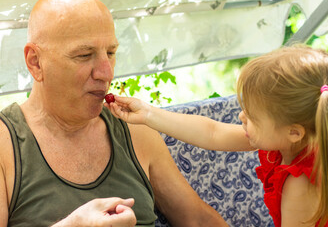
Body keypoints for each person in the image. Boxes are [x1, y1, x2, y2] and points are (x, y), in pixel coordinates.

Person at [0, 0, 228, 226]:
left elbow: (197, 220)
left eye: (111, 53)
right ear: (35, 62)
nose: (106, 72)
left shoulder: (135, 132)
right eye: (84, 55)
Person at [106, 45, 328, 227]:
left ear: (294, 132)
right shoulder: (289, 141)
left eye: (252, 117)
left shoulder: (300, 185)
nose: (241, 116)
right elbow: (213, 133)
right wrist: (149, 114)